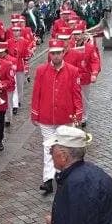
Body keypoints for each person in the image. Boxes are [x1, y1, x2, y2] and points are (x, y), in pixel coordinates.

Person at [30, 39, 83, 195]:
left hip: (65, 117)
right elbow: (36, 93)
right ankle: (47, 180)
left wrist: (78, 113)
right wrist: (34, 113)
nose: (55, 56)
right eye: (53, 53)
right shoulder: (41, 70)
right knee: (48, 147)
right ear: (49, 54)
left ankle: (62, 176)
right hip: (46, 117)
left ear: (63, 53)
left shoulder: (73, 71)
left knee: (64, 149)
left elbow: (76, 94)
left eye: (58, 53)